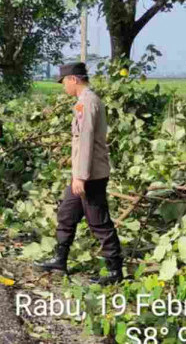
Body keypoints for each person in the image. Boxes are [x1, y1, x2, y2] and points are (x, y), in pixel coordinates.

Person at [33, 62, 124, 286]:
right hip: (83, 173)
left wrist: (80, 177)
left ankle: (114, 270)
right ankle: (60, 259)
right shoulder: (84, 102)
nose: (64, 87)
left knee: (98, 222)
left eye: (64, 82)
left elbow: (85, 142)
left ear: (74, 79)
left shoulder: (87, 103)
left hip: (90, 175)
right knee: (66, 213)